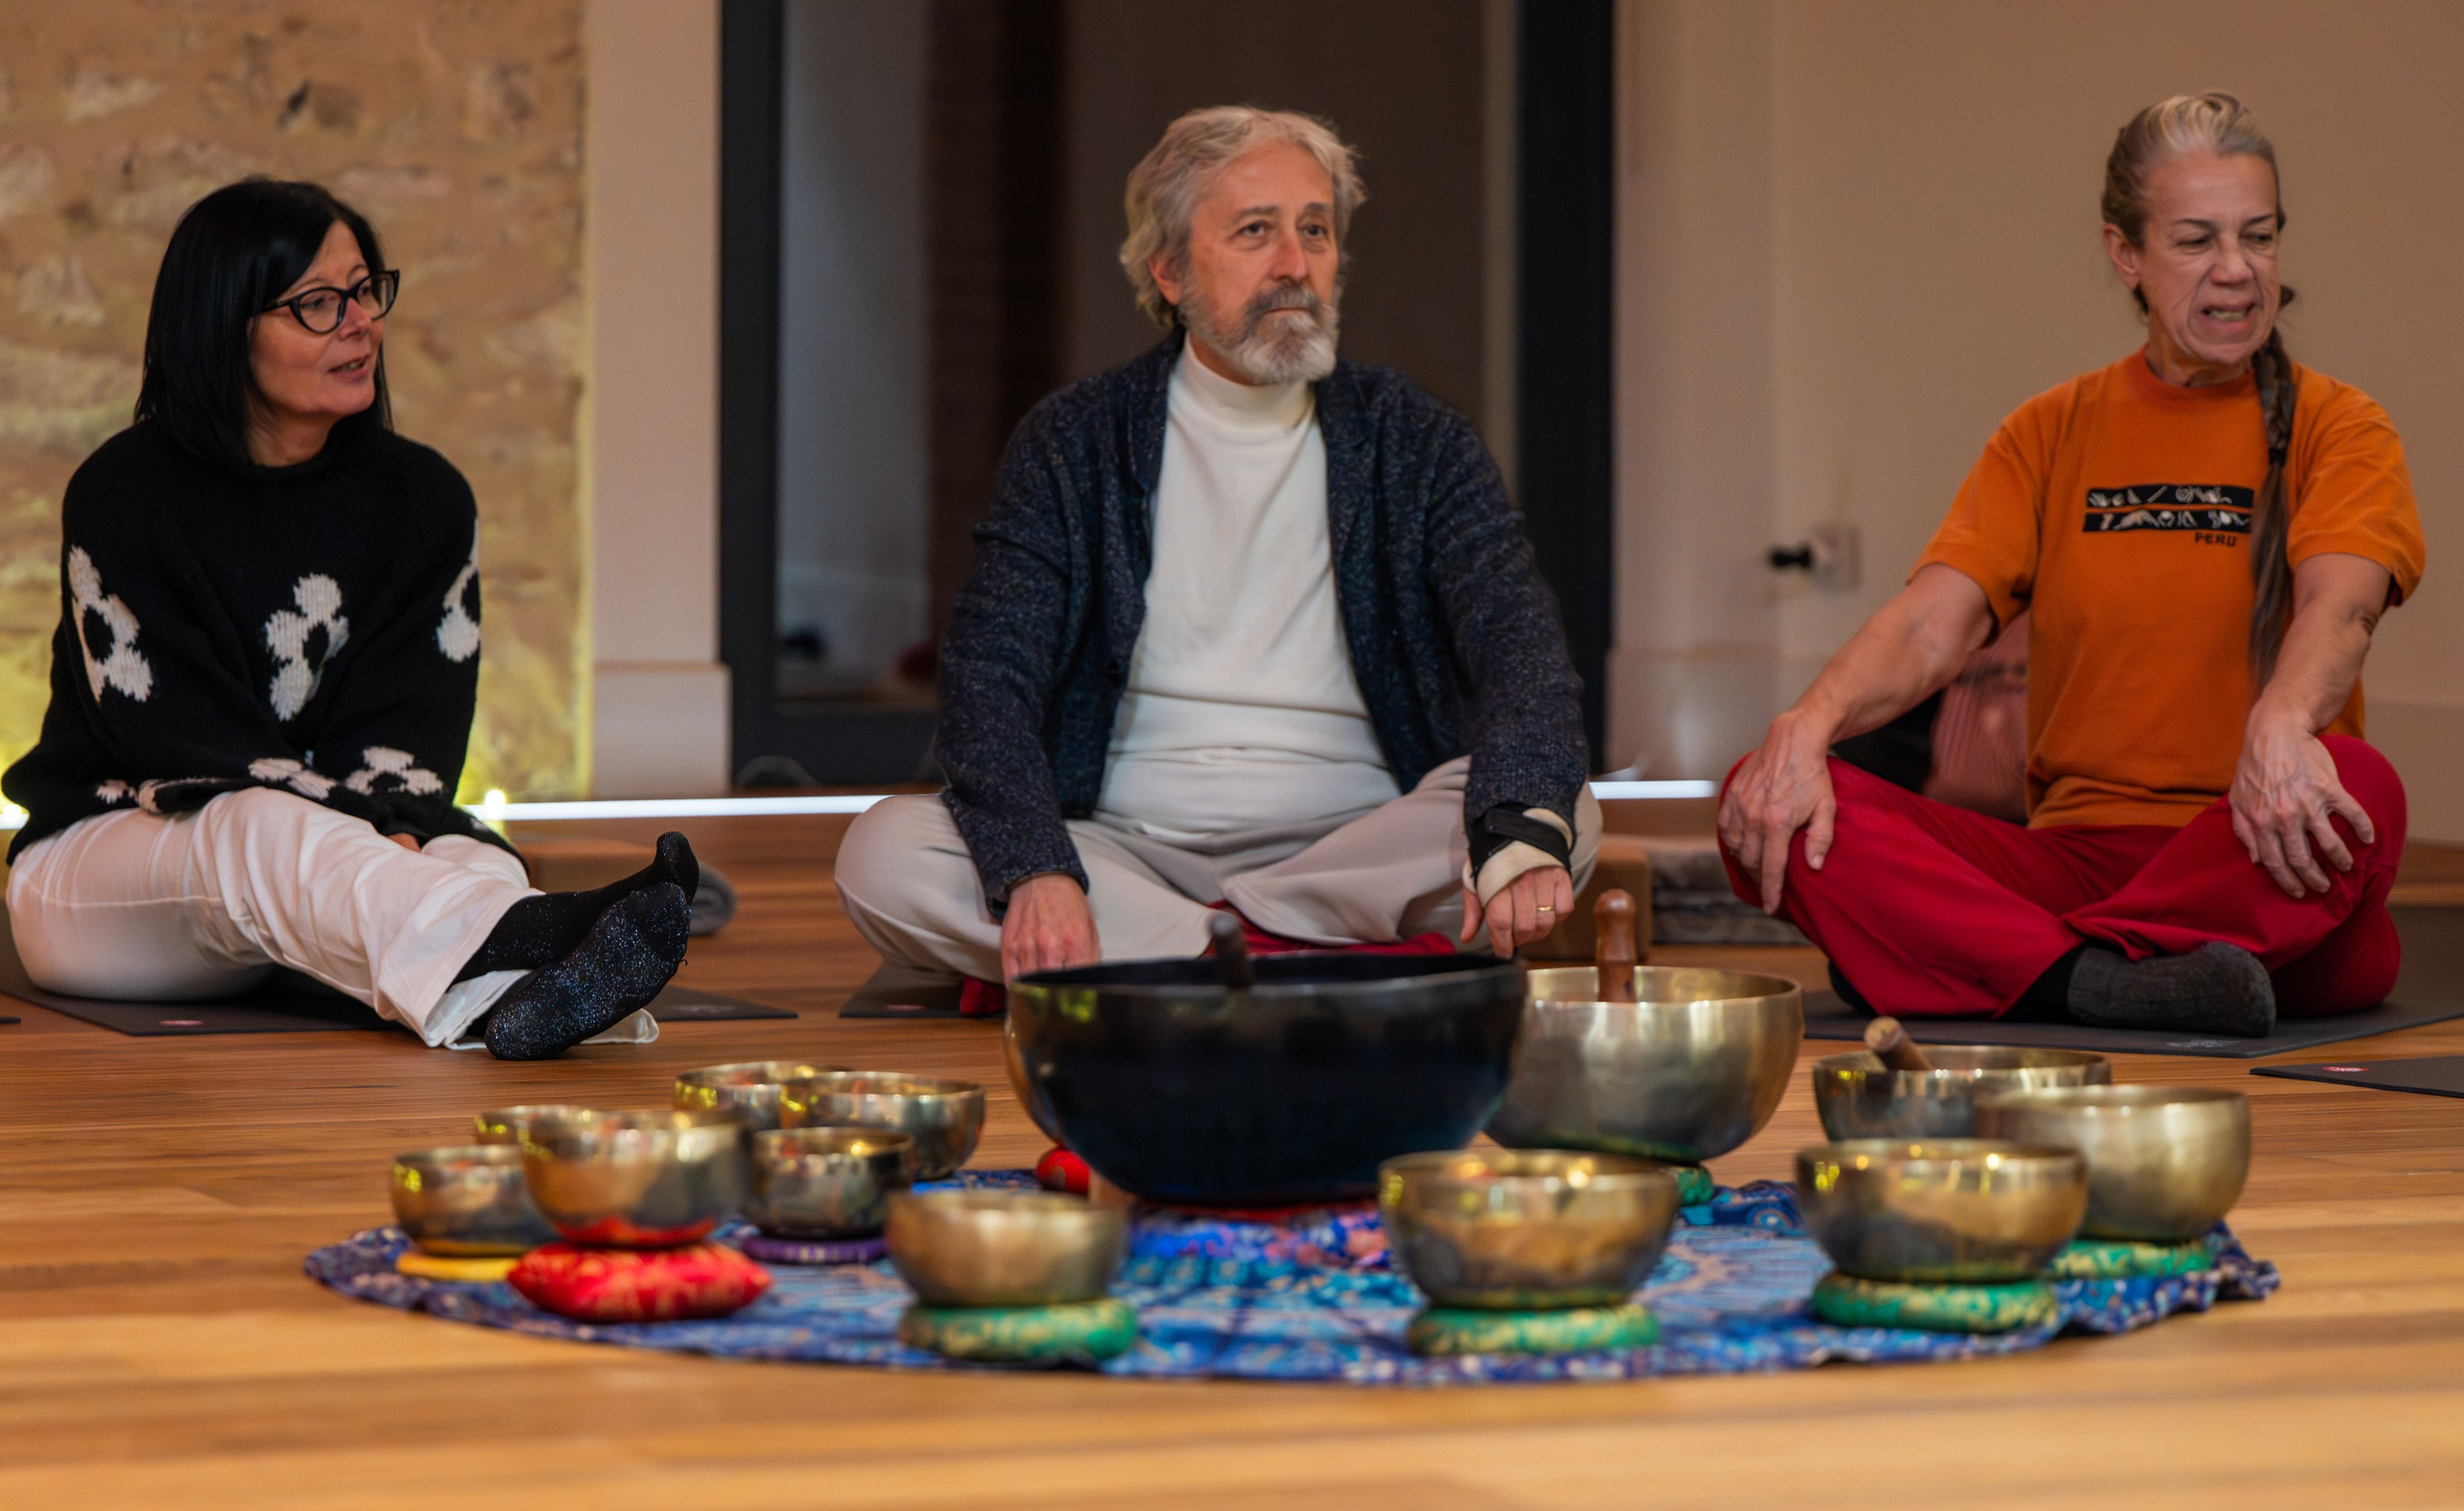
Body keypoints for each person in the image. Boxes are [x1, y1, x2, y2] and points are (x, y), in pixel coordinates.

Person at [836, 106, 1598, 990]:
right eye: (1254, 232)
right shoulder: (1076, 440)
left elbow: (1520, 642)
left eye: (1315, 231)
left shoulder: (1414, 439)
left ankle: (1187, 959)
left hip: (1352, 851)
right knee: (884, 852)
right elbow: (989, 674)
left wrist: (1518, 829)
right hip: (1123, 847)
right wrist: (1038, 869)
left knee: (1558, 811)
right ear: (1168, 270)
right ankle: (1286, 964)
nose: (1294, 265)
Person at [1717, 92, 2423, 1038]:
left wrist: (2282, 725)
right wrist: (1807, 727)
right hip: (2072, 861)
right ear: (2123, 253)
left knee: (2359, 784)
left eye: (2257, 237)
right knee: (1763, 794)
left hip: (2261, 858)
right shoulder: (2049, 431)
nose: (2234, 271)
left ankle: (1992, 960)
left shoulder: (2344, 426)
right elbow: (1935, 625)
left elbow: (2339, 607)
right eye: (2195, 241)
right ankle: (2103, 981)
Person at [1, 178, 696, 1060]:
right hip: (119, 867)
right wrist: (363, 825)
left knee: (474, 858)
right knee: (254, 825)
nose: (360, 322)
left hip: (319, 876)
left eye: (366, 291)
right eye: (319, 305)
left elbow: (412, 720)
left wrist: (393, 821)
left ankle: (530, 998)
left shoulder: (425, 499)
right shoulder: (125, 495)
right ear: (224, 325)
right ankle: (539, 938)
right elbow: (183, 746)